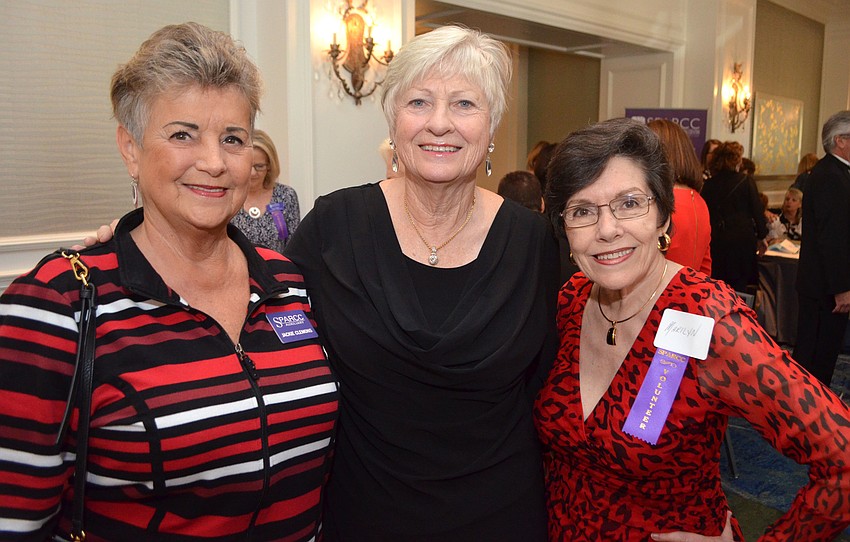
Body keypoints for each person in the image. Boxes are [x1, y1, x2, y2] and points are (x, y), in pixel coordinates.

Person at [0, 23, 338, 541]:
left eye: (233, 138)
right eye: (182, 134)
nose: (213, 162)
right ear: (130, 149)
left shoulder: (289, 282)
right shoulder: (57, 305)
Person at [284, 25, 560, 540]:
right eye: (419, 102)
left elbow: (557, 376)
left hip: (502, 513)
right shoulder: (334, 225)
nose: (439, 124)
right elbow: (260, 315)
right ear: (393, 119)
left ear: (492, 125)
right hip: (366, 509)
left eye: (463, 104)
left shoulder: (534, 242)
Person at [535, 117, 850, 540]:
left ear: (664, 216)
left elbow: (843, 460)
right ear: (564, 227)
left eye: (630, 203)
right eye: (582, 211)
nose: (607, 229)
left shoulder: (711, 319)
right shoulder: (570, 302)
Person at [794, 110, 850, 386]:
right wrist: (842, 288)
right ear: (840, 140)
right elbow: (833, 238)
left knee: (818, 357)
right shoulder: (831, 175)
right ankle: (806, 417)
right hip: (824, 289)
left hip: (822, 285)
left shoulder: (835, 172)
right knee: (816, 359)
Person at [701, 141, 768, 292]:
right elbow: (757, 211)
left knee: (717, 288)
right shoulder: (746, 181)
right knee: (741, 290)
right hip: (742, 244)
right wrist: (762, 237)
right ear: (736, 160)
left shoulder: (709, 184)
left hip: (717, 242)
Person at [647, 118, 712, 274]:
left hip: (658, 294)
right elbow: (705, 267)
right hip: (690, 293)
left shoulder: (659, 202)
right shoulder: (699, 201)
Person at [230, 129, 301, 252]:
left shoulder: (286, 195)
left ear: (269, 165)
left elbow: (294, 246)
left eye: (259, 166)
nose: (253, 173)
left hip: (277, 268)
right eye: (249, 166)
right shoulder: (228, 194)